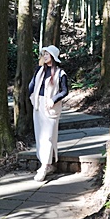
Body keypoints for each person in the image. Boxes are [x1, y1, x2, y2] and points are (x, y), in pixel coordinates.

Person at [28, 45, 69, 182]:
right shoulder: (39, 70)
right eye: (44, 54)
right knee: (39, 136)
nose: (45, 56)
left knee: (48, 136)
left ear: (53, 56)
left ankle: (44, 166)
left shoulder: (60, 73)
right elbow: (32, 85)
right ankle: (47, 164)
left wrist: (53, 99)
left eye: (47, 54)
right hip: (38, 106)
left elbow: (64, 91)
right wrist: (32, 96)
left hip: (51, 107)